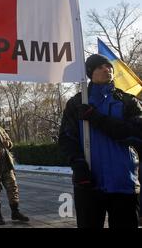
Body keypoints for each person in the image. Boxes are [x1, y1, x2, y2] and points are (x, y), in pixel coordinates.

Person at [58, 54, 142, 228]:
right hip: (88, 184)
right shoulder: (76, 103)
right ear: (90, 73)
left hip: (123, 183)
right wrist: (79, 166)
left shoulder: (127, 101)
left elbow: (136, 134)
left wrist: (96, 118)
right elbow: (67, 139)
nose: (107, 69)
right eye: (100, 67)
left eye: (108, 66)